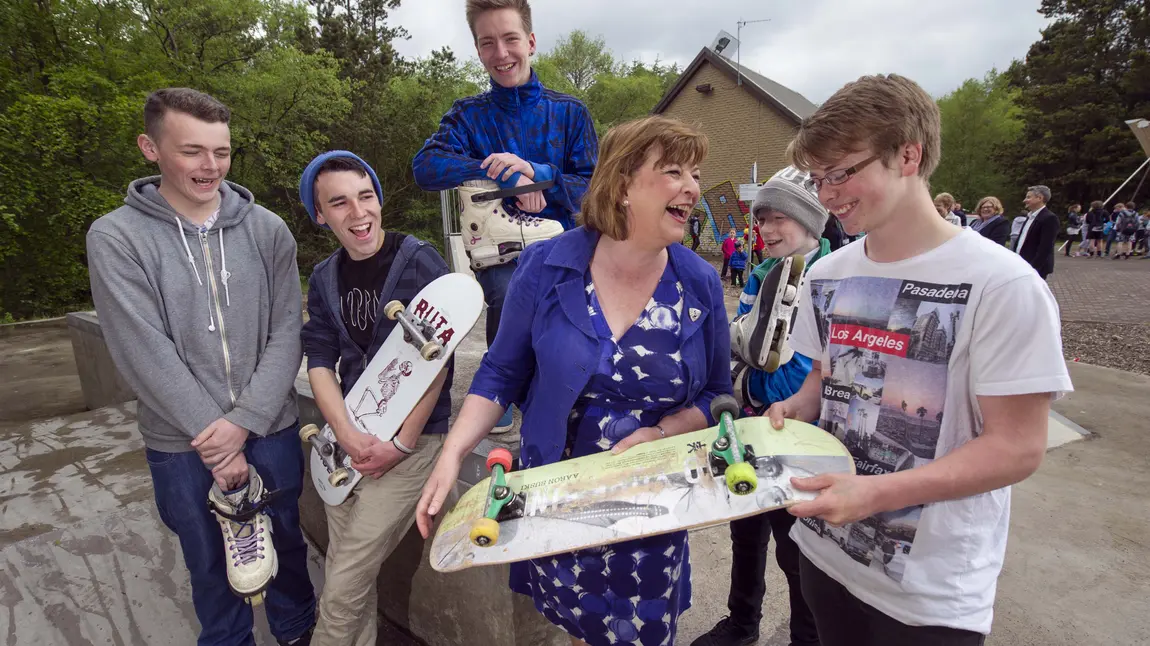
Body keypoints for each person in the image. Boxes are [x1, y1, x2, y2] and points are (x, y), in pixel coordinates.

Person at [771, 73, 1073, 645]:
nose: (828, 194)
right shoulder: (827, 272)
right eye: (818, 178)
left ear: (908, 155)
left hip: (928, 594)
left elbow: (1018, 447)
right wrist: (787, 411)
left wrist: (875, 494)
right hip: (824, 553)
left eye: (842, 172)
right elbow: (821, 380)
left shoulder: (1002, 284)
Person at [415, 115, 732, 646]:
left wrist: (664, 430)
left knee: (641, 633)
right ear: (625, 183)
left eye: (695, 174)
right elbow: (500, 371)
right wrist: (451, 453)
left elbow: (719, 395)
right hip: (553, 498)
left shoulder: (697, 282)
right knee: (577, 628)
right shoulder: (545, 265)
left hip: (649, 509)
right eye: (675, 171)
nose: (693, 188)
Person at [86, 88, 316, 646]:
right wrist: (215, 437)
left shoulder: (267, 230)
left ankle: (298, 633)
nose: (210, 166)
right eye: (192, 151)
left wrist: (245, 423)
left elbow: (288, 329)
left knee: (286, 543)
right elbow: (142, 349)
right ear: (150, 148)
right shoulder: (116, 237)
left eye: (222, 151)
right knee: (209, 562)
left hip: (270, 428)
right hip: (181, 444)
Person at [411, 0, 598, 432]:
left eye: (510, 39)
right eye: (488, 43)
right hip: (500, 251)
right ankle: (500, 394)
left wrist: (540, 176)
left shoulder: (569, 112)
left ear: (530, 42)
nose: (501, 53)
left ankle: (570, 396)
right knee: (508, 292)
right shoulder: (468, 114)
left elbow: (594, 187)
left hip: (566, 246)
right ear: (478, 50)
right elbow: (426, 167)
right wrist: (501, 174)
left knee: (567, 322)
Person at [297, 152, 453, 645]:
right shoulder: (324, 277)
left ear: (379, 199)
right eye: (338, 203)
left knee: (342, 582)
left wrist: (401, 445)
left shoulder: (419, 260)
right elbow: (319, 359)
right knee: (352, 576)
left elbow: (438, 362)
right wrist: (345, 433)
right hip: (351, 436)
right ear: (320, 215)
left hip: (413, 442)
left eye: (366, 196)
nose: (358, 213)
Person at [693, 166, 831, 646]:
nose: (766, 230)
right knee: (745, 533)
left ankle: (806, 638)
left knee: (796, 550)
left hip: (795, 437)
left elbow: (799, 373)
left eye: (778, 220)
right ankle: (742, 622)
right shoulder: (760, 273)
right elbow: (742, 344)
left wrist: (749, 379)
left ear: (811, 223)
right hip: (751, 430)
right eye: (762, 219)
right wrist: (750, 371)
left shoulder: (825, 278)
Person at [1015, 185, 1059, 278]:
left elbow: (1045, 247)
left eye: (1028, 197)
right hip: (1022, 264)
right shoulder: (1030, 216)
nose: (1024, 200)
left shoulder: (1049, 218)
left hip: (1034, 268)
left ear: (1039, 198)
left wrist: (1033, 268)